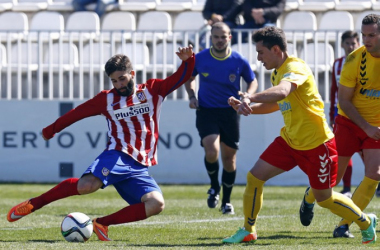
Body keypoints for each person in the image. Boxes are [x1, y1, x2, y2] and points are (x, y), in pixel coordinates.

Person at [7, 45, 195, 241]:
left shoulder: (152, 91)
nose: (119, 84)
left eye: (122, 78)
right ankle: (34, 204)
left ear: (132, 74)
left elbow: (180, 78)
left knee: (156, 205)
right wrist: (50, 130)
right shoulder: (106, 99)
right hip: (118, 153)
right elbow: (76, 114)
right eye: (114, 81)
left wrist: (188, 61)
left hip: (139, 165)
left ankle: (102, 223)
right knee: (87, 185)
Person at [222, 26, 377, 245]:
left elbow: (283, 91)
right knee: (254, 177)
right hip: (290, 141)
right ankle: (249, 229)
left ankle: (365, 222)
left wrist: (250, 96)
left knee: (325, 199)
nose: (258, 59)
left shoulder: (295, 67)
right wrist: (246, 107)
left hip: (318, 145)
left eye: (261, 53)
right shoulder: (277, 72)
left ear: (275, 49)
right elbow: (279, 102)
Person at [300, 13, 380, 239]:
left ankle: (345, 224)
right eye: (364, 35)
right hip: (349, 122)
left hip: (375, 126)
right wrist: (365, 127)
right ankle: (309, 198)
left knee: (375, 174)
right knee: (331, 181)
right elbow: (343, 101)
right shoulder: (355, 60)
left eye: (372, 35)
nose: (366, 40)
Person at [185, 22, 258, 215]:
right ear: (211, 37)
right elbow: (188, 77)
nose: (219, 40)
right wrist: (192, 97)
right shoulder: (200, 58)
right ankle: (214, 186)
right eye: (216, 37)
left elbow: (253, 80)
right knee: (212, 150)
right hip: (206, 111)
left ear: (229, 38)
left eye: (223, 36)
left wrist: (247, 95)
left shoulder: (238, 60)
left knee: (229, 158)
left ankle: (226, 201)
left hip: (230, 113)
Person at [330, 30, 360, 198]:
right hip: (340, 112)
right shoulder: (337, 64)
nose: (350, 46)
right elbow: (334, 89)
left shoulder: (365, 62)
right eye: (347, 43)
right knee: (343, 150)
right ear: (342, 44)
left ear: (358, 44)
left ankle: (376, 182)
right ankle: (347, 187)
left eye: (353, 43)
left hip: (361, 112)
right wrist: (331, 114)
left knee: (367, 151)